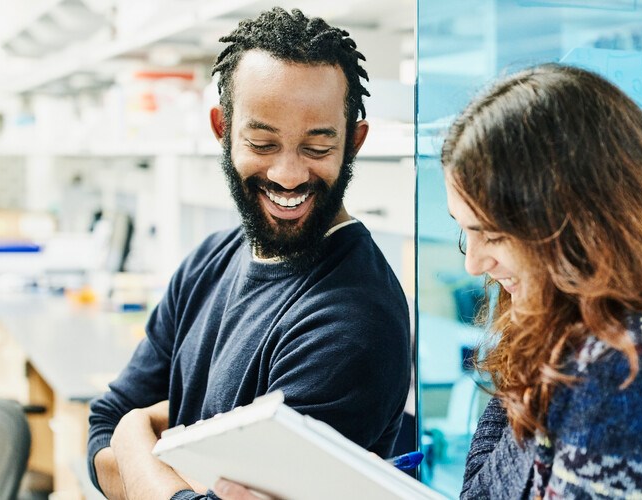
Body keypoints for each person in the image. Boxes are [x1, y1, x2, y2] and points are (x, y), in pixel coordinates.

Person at [85, 8, 411, 500]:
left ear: (354, 142)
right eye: (262, 142)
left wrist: (135, 436)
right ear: (222, 129)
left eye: (317, 148)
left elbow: (118, 431)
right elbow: (99, 428)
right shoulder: (208, 261)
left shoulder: (352, 320)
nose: (288, 174)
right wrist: (159, 474)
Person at [443, 63, 642, 498]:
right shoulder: (574, 326)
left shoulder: (641, 367)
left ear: (582, 224)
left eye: (495, 235)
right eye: (466, 231)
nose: (475, 263)